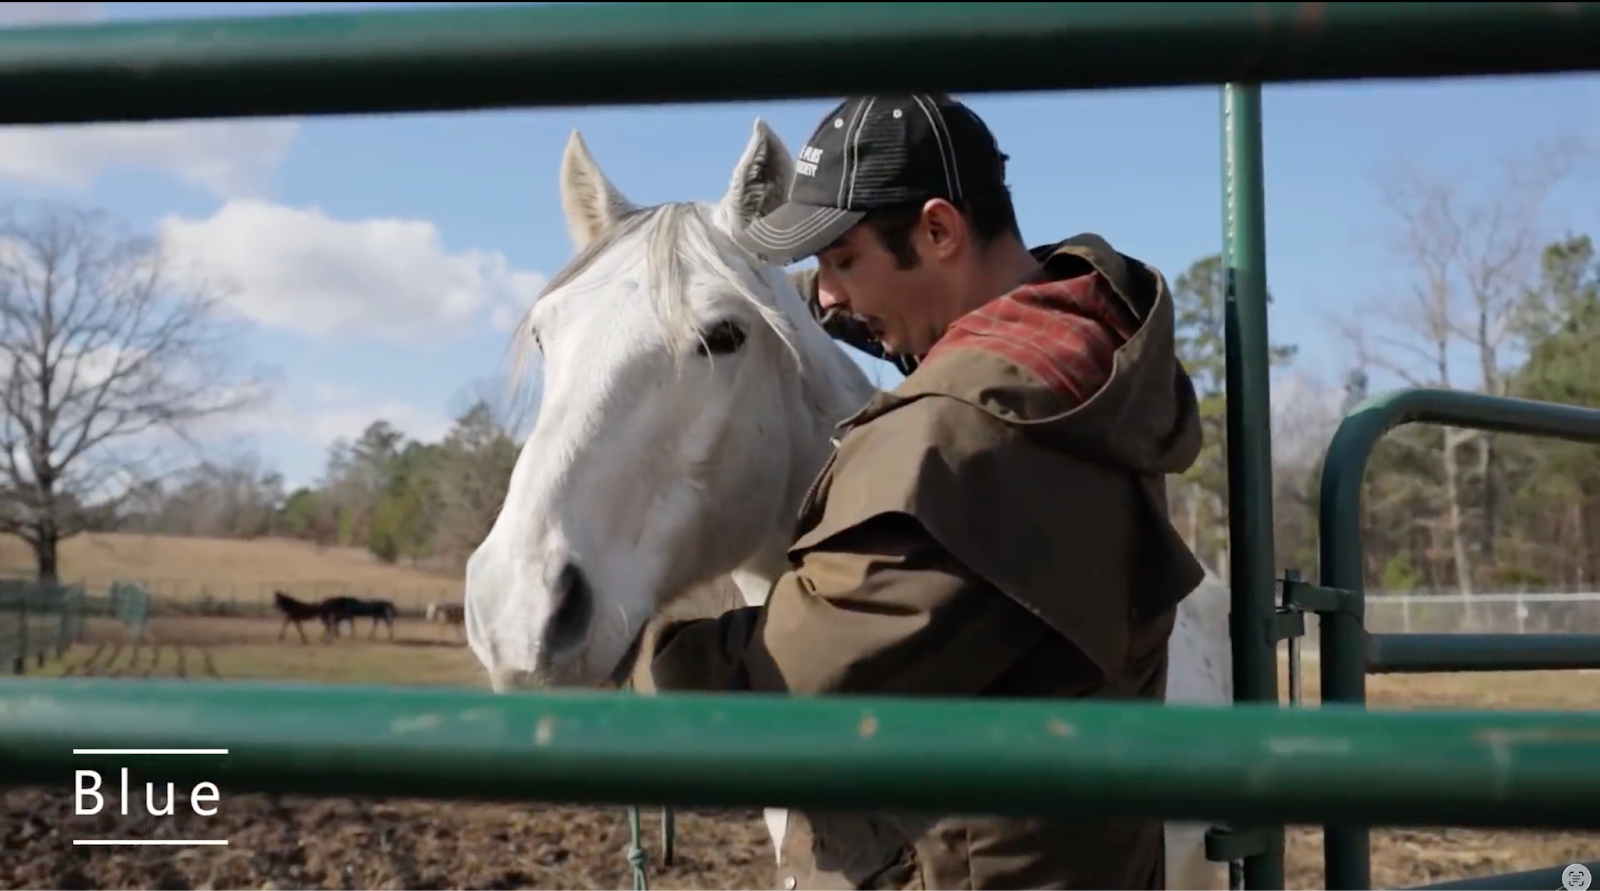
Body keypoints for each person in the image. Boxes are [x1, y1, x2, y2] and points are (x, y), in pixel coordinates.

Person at [621, 93, 1207, 891]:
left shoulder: (959, 444)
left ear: (938, 231)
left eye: (840, 258)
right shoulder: (1075, 367)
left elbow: (785, 687)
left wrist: (627, 660)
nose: (824, 294)